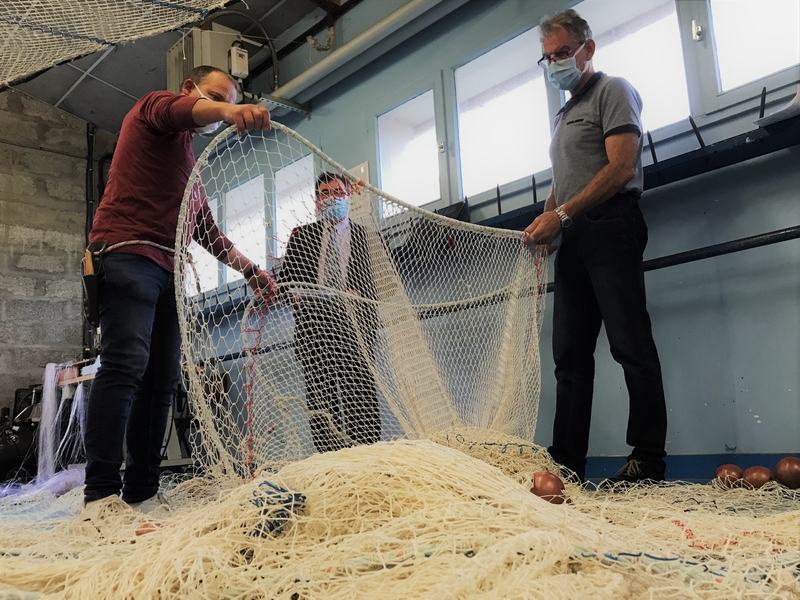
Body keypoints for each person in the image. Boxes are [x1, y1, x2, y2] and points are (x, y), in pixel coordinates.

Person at [82, 65, 273, 514]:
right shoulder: (154, 108)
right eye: (214, 95)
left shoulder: (192, 165)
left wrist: (252, 271)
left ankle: (144, 492)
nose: (216, 106)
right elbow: (183, 111)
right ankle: (101, 496)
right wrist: (230, 110)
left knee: (161, 380)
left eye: (226, 98)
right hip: (127, 254)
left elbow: (208, 232)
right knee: (126, 365)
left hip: (168, 273)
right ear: (190, 89)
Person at [523, 10, 668, 485]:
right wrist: (549, 222)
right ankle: (566, 464)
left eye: (562, 52)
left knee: (630, 344)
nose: (556, 64)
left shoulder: (613, 90)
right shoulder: (564, 115)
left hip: (612, 225)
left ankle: (647, 457)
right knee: (569, 354)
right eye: (548, 59)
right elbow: (561, 183)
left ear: (588, 48)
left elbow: (621, 167)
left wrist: (561, 216)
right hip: (575, 235)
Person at [278, 172, 381, 453]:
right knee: (322, 407)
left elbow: (382, 285)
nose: (331, 198)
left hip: (356, 333)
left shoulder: (368, 237)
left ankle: (368, 461)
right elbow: (285, 284)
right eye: (324, 193)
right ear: (316, 200)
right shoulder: (301, 238)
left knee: (361, 401)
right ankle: (329, 466)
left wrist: (359, 296)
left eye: (337, 192)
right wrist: (297, 296)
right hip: (314, 334)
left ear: (348, 196)